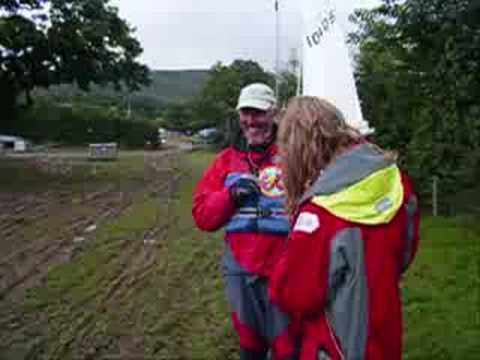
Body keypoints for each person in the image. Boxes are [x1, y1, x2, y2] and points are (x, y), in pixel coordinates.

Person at [269, 96, 420, 360]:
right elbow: (406, 252)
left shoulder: (318, 215)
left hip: (338, 344)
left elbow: (294, 296)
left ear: (298, 147)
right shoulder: (396, 182)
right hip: (385, 332)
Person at [192, 83, 297, 360]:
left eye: (258, 113)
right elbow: (202, 216)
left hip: (285, 266)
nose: (251, 121)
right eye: (245, 114)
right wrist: (230, 196)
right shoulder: (226, 161)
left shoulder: (295, 155)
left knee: (288, 347)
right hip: (240, 268)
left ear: (274, 114)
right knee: (251, 345)